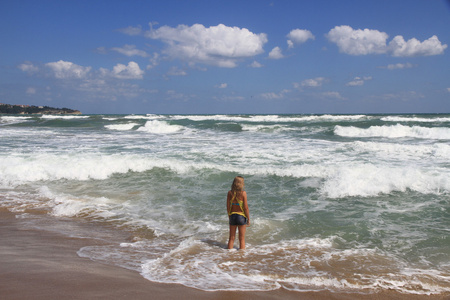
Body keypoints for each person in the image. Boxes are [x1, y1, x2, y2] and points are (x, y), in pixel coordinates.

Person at [227, 176, 250, 250]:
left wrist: (229, 216)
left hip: (233, 216)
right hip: (241, 217)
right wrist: (248, 218)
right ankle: (242, 255)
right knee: (241, 238)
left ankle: (229, 253)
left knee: (231, 238)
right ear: (241, 184)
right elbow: (246, 207)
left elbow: (228, 206)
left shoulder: (230, 193)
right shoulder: (243, 193)